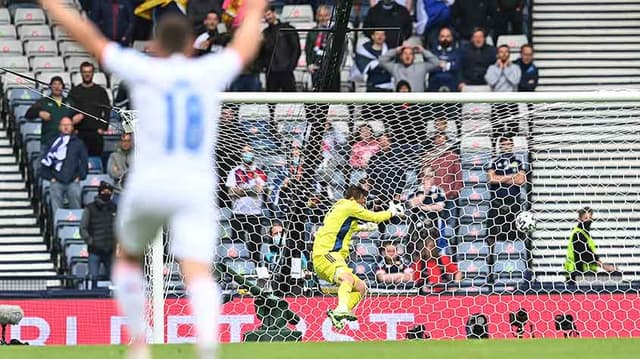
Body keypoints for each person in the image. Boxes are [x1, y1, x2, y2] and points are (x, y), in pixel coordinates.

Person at [40, 1, 266, 358]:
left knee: (127, 258)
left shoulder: (144, 68)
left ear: (155, 45)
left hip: (150, 181)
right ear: (193, 45)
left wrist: (50, 4)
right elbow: (246, 44)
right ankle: (208, 346)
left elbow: (89, 37)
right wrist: (255, 9)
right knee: (198, 271)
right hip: (194, 184)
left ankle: (140, 343)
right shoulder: (209, 70)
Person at [312, 185, 405, 329]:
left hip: (330, 257)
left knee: (361, 288)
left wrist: (364, 228)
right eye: (362, 202)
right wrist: (391, 212)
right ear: (354, 198)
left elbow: (345, 227)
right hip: (326, 254)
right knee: (347, 278)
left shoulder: (340, 209)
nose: (363, 205)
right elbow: (375, 217)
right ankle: (342, 308)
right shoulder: (349, 206)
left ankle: (338, 313)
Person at [226, 145, 268, 265]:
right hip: (238, 213)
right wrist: (250, 190)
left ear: (253, 153)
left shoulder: (260, 172)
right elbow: (231, 192)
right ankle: (236, 272)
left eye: (249, 151)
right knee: (237, 245)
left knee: (255, 245)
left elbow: (260, 190)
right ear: (241, 154)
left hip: (255, 214)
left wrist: (242, 190)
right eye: (244, 152)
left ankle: (254, 269)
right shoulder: (234, 172)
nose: (247, 154)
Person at [40, 117, 88, 214]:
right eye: (63, 125)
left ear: (72, 127)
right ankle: (57, 229)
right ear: (59, 127)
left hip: (73, 181)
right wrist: (50, 177)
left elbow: (84, 162)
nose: (66, 127)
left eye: (68, 125)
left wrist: (80, 176)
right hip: (56, 181)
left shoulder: (78, 143)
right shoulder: (52, 142)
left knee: (76, 209)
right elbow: (44, 161)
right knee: (57, 211)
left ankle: (76, 228)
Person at [487, 136, 526, 244]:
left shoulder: (518, 161)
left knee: (514, 232)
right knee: (494, 232)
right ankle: (492, 257)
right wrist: (511, 176)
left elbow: (520, 180)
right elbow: (491, 179)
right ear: (500, 146)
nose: (506, 146)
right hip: (497, 201)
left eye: (509, 144)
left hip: (513, 201)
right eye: (504, 144)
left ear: (512, 146)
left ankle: (513, 254)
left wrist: (501, 178)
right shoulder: (494, 161)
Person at [68, 62, 111, 156]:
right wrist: (72, 127)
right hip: (79, 133)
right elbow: (69, 110)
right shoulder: (74, 91)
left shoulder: (100, 91)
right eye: (84, 72)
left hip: (96, 133)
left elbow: (107, 110)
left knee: (96, 160)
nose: (87, 74)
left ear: (93, 73)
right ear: (81, 73)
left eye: (89, 72)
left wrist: (103, 127)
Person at [80, 181, 117, 289]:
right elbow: (83, 228)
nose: (106, 193)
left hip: (110, 250)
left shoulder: (115, 208)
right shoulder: (90, 208)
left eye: (109, 191)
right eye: (104, 191)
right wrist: (90, 241)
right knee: (93, 279)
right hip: (94, 250)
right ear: (100, 192)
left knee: (114, 280)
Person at [25, 76, 81, 146]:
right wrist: (39, 113)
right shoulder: (43, 102)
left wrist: (79, 116)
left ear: (63, 87)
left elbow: (80, 115)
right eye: (54, 84)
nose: (57, 87)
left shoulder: (70, 102)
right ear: (50, 87)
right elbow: (28, 114)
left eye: (59, 84)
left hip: (67, 143)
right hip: (48, 142)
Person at [564, 207, 616, 282]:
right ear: (579, 219)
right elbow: (586, 255)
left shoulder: (584, 234)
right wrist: (605, 267)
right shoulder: (578, 234)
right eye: (585, 218)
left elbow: (589, 253)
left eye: (590, 218)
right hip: (577, 274)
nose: (588, 220)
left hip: (584, 274)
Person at [259, 5, 301, 92]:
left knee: (291, 100)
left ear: (274, 13)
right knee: (271, 103)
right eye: (265, 16)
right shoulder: (264, 33)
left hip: (286, 71)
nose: (267, 17)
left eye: (268, 14)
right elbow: (261, 52)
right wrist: (265, 66)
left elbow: (296, 49)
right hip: (271, 72)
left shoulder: (288, 28)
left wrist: (291, 66)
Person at [485, 44, 521, 142]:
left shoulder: (516, 68)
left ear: (509, 54)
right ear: (497, 54)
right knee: (496, 133)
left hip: (512, 104)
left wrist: (506, 69)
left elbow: (515, 81)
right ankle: (495, 154)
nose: (504, 54)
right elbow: (492, 82)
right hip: (497, 104)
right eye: (501, 52)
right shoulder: (491, 68)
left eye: (506, 52)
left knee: (513, 133)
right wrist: (500, 69)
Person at [305, 5, 332, 89]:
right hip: (316, 69)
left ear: (330, 16)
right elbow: (308, 50)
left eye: (325, 15)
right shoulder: (312, 32)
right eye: (320, 16)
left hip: (331, 70)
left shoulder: (334, 31)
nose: (323, 18)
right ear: (316, 16)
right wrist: (309, 64)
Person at [428, 26, 462, 92]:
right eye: (442, 36)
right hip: (434, 84)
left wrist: (443, 65)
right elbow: (430, 66)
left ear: (452, 38)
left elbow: (457, 66)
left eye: (448, 36)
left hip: (452, 84)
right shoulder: (432, 52)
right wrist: (450, 65)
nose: (445, 39)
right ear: (438, 38)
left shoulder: (457, 52)